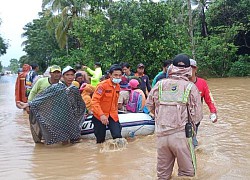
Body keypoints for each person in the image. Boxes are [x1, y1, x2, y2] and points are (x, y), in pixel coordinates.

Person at [146, 54, 203, 179]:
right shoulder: (190, 87)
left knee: (162, 175)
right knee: (187, 174)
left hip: (161, 135)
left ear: (172, 67)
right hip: (181, 136)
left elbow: (149, 105)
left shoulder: (160, 85)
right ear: (189, 69)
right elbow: (197, 116)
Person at [91, 64, 123, 143]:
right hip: (99, 115)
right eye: (115, 75)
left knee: (118, 137)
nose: (118, 77)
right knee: (100, 140)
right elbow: (95, 101)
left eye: (119, 75)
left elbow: (115, 102)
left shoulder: (118, 86)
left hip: (112, 115)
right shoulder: (102, 86)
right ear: (110, 75)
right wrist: (101, 115)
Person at [189, 59, 218, 146]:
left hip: (196, 117)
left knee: (192, 141)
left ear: (196, 69)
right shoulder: (180, 83)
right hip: (182, 117)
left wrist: (213, 112)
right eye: (187, 68)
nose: (190, 70)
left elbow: (209, 99)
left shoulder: (202, 83)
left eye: (192, 68)